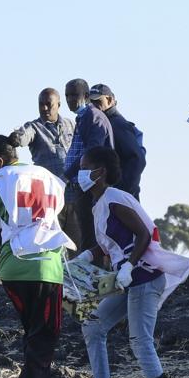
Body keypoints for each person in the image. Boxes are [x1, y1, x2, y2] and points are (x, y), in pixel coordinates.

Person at [74, 147, 189, 378]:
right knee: (93, 325)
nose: (80, 174)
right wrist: (86, 256)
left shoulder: (114, 198)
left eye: (85, 168)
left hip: (143, 277)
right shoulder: (99, 204)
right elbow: (109, 244)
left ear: (101, 172)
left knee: (140, 340)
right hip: (126, 279)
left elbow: (143, 234)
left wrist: (129, 265)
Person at [0, 135, 72, 378]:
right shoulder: (48, 176)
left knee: (33, 332)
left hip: (14, 267)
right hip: (46, 266)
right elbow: (58, 215)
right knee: (45, 335)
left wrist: (4, 255)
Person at [9, 88, 78, 245]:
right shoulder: (34, 127)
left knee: (78, 246)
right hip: (50, 199)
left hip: (73, 195)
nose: (45, 108)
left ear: (58, 105)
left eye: (49, 104)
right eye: (41, 104)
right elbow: (23, 136)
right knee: (54, 246)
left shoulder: (70, 124)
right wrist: (17, 138)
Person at [62, 78, 115, 251]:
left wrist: (69, 172)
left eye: (74, 95)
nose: (70, 99)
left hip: (91, 185)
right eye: (67, 95)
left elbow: (92, 152)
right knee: (85, 233)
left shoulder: (93, 117)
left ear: (85, 96)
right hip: (83, 184)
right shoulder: (83, 117)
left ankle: (93, 275)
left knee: (90, 237)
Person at [88, 84, 147, 200]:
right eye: (91, 102)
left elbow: (137, 159)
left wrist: (122, 192)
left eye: (97, 101)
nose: (94, 106)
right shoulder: (104, 122)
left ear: (109, 100)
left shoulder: (117, 124)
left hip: (120, 197)